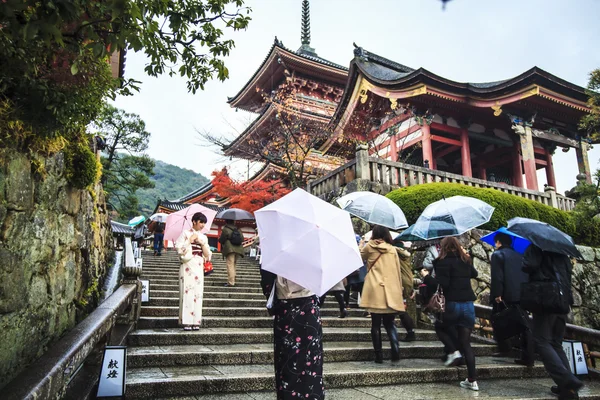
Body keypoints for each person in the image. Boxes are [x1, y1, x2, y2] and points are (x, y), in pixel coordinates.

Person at [522, 245, 583, 400]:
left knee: (541, 341)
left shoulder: (537, 248)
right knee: (556, 343)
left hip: (546, 301)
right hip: (563, 302)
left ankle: (567, 381)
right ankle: (568, 388)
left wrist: (528, 254)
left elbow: (529, 266)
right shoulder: (563, 254)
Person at [421, 236, 479, 391]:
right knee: (466, 342)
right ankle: (472, 380)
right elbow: (475, 274)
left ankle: (453, 352)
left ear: (444, 247)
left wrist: (426, 277)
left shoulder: (442, 261)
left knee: (440, 327)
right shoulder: (465, 260)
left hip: (452, 304)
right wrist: (467, 257)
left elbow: (441, 285)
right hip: (468, 305)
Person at [260, 271, 324, 400]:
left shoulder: (276, 254)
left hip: (286, 309)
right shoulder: (314, 255)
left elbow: (266, 282)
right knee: (311, 360)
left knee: (287, 360)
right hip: (309, 309)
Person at [360, 225, 406, 363]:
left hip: (375, 289)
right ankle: (395, 349)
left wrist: (362, 243)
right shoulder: (392, 249)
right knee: (390, 323)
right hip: (390, 290)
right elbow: (398, 271)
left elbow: (359, 258)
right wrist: (400, 289)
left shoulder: (369, 247)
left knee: (375, 324)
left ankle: (378, 355)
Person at [490, 232, 534, 365]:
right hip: (521, 294)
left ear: (498, 242)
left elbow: (497, 277)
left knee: (496, 318)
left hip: (506, 295)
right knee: (524, 324)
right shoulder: (519, 255)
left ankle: (506, 348)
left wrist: (497, 294)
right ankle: (527, 355)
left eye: (495, 242)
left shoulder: (497, 255)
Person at [175, 212, 212, 331]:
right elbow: (179, 249)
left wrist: (202, 244)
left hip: (199, 264)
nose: (202, 225)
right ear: (194, 221)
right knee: (187, 292)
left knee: (197, 293)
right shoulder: (185, 234)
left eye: (204, 223)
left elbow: (208, 255)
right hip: (187, 264)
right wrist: (189, 240)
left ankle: (196, 321)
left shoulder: (204, 237)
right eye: (201, 222)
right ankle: (186, 321)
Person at [392, 238, 417, 342]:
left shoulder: (396, 254)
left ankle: (410, 332)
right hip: (408, 283)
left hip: (401, 283)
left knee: (401, 310)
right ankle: (410, 331)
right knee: (402, 309)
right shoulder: (406, 256)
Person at [218, 219, 245, 287]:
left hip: (230, 249)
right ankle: (233, 280)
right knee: (234, 265)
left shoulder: (225, 229)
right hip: (238, 249)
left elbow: (222, 239)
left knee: (230, 265)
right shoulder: (238, 229)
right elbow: (242, 239)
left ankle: (231, 282)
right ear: (234, 221)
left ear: (226, 221)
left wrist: (221, 239)